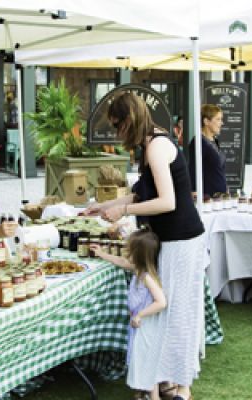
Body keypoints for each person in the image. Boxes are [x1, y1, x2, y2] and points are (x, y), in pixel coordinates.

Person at [81, 92, 206, 400]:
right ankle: (165, 381)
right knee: (166, 312)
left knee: (177, 313)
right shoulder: (150, 144)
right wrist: (103, 206)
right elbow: (141, 194)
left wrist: (122, 211)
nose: (116, 133)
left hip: (182, 239)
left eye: (117, 125)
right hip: (169, 239)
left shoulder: (156, 147)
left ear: (130, 119)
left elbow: (167, 202)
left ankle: (182, 387)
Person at [91, 228, 167, 400]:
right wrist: (101, 254)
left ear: (139, 255)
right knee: (139, 358)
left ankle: (154, 396)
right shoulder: (138, 270)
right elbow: (121, 262)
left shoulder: (147, 277)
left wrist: (140, 315)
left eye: (130, 251)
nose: (126, 253)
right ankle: (143, 392)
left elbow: (161, 302)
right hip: (138, 325)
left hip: (146, 326)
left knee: (147, 361)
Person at [187, 104, 227, 198]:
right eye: (218, 119)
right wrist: (193, 190)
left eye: (221, 119)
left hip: (220, 196)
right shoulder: (198, 142)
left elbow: (218, 170)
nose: (221, 123)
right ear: (206, 121)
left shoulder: (215, 141)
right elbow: (193, 168)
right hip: (207, 197)